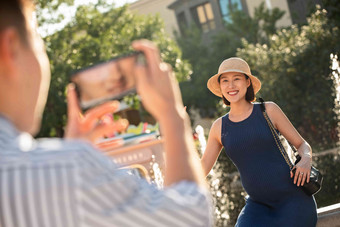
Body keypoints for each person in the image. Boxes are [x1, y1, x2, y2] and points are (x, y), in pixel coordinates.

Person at [0, 0, 213, 226]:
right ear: (10, 47)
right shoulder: (68, 170)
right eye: (39, 43)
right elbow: (190, 217)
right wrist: (172, 115)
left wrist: (68, 154)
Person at [201, 57, 317, 226]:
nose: (230, 86)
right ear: (220, 87)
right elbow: (202, 167)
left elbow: (302, 145)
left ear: (248, 82)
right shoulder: (219, 127)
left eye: (236, 79)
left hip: (293, 200)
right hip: (257, 207)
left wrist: (306, 159)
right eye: (225, 81)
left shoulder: (268, 110)